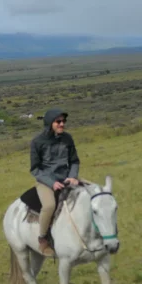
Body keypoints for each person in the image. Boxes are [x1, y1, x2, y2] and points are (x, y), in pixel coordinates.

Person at [29, 107, 80, 256]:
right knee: (49, 205)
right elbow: (35, 170)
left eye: (63, 121)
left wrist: (72, 176)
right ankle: (43, 239)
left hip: (67, 177)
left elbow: (74, 161)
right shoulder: (37, 142)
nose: (62, 124)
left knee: (93, 190)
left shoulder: (67, 138)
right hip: (46, 181)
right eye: (58, 121)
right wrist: (51, 183)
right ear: (50, 123)